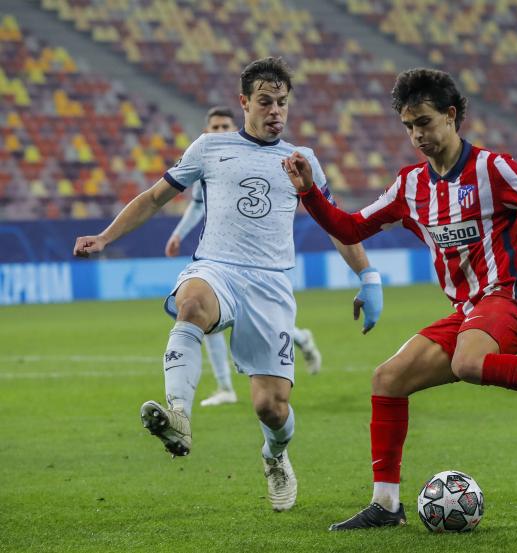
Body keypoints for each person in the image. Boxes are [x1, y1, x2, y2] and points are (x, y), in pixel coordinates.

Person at [283, 68, 517, 530]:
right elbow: (349, 228)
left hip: (515, 297)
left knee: (469, 362)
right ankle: (386, 505)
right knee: (387, 378)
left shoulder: (493, 169)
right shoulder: (410, 186)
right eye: (408, 127)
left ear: (451, 116)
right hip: (469, 311)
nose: (417, 135)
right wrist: (308, 191)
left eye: (424, 122)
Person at [73, 57, 382, 512]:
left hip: (271, 285)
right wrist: (105, 236)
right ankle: (178, 414)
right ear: (244, 102)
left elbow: (336, 224)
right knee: (192, 303)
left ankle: (275, 456)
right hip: (217, 267)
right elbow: (155, 197)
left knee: (270, 408)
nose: (275, 110)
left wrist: (368, 276)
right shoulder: (209, 148)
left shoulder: (301, 160)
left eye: (282, 103)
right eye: (265, 102)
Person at [164, 106, 323, 408]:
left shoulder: (261, 157)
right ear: (208, 131)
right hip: (218, 262)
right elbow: (196, 206)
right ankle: (224, 387)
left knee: (261, 329)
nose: (221, 132)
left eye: (226, 126)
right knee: (201, 315)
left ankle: (300, 338)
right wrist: (178, 234)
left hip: (263, 266)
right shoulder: (207, 157)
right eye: (215, 127)